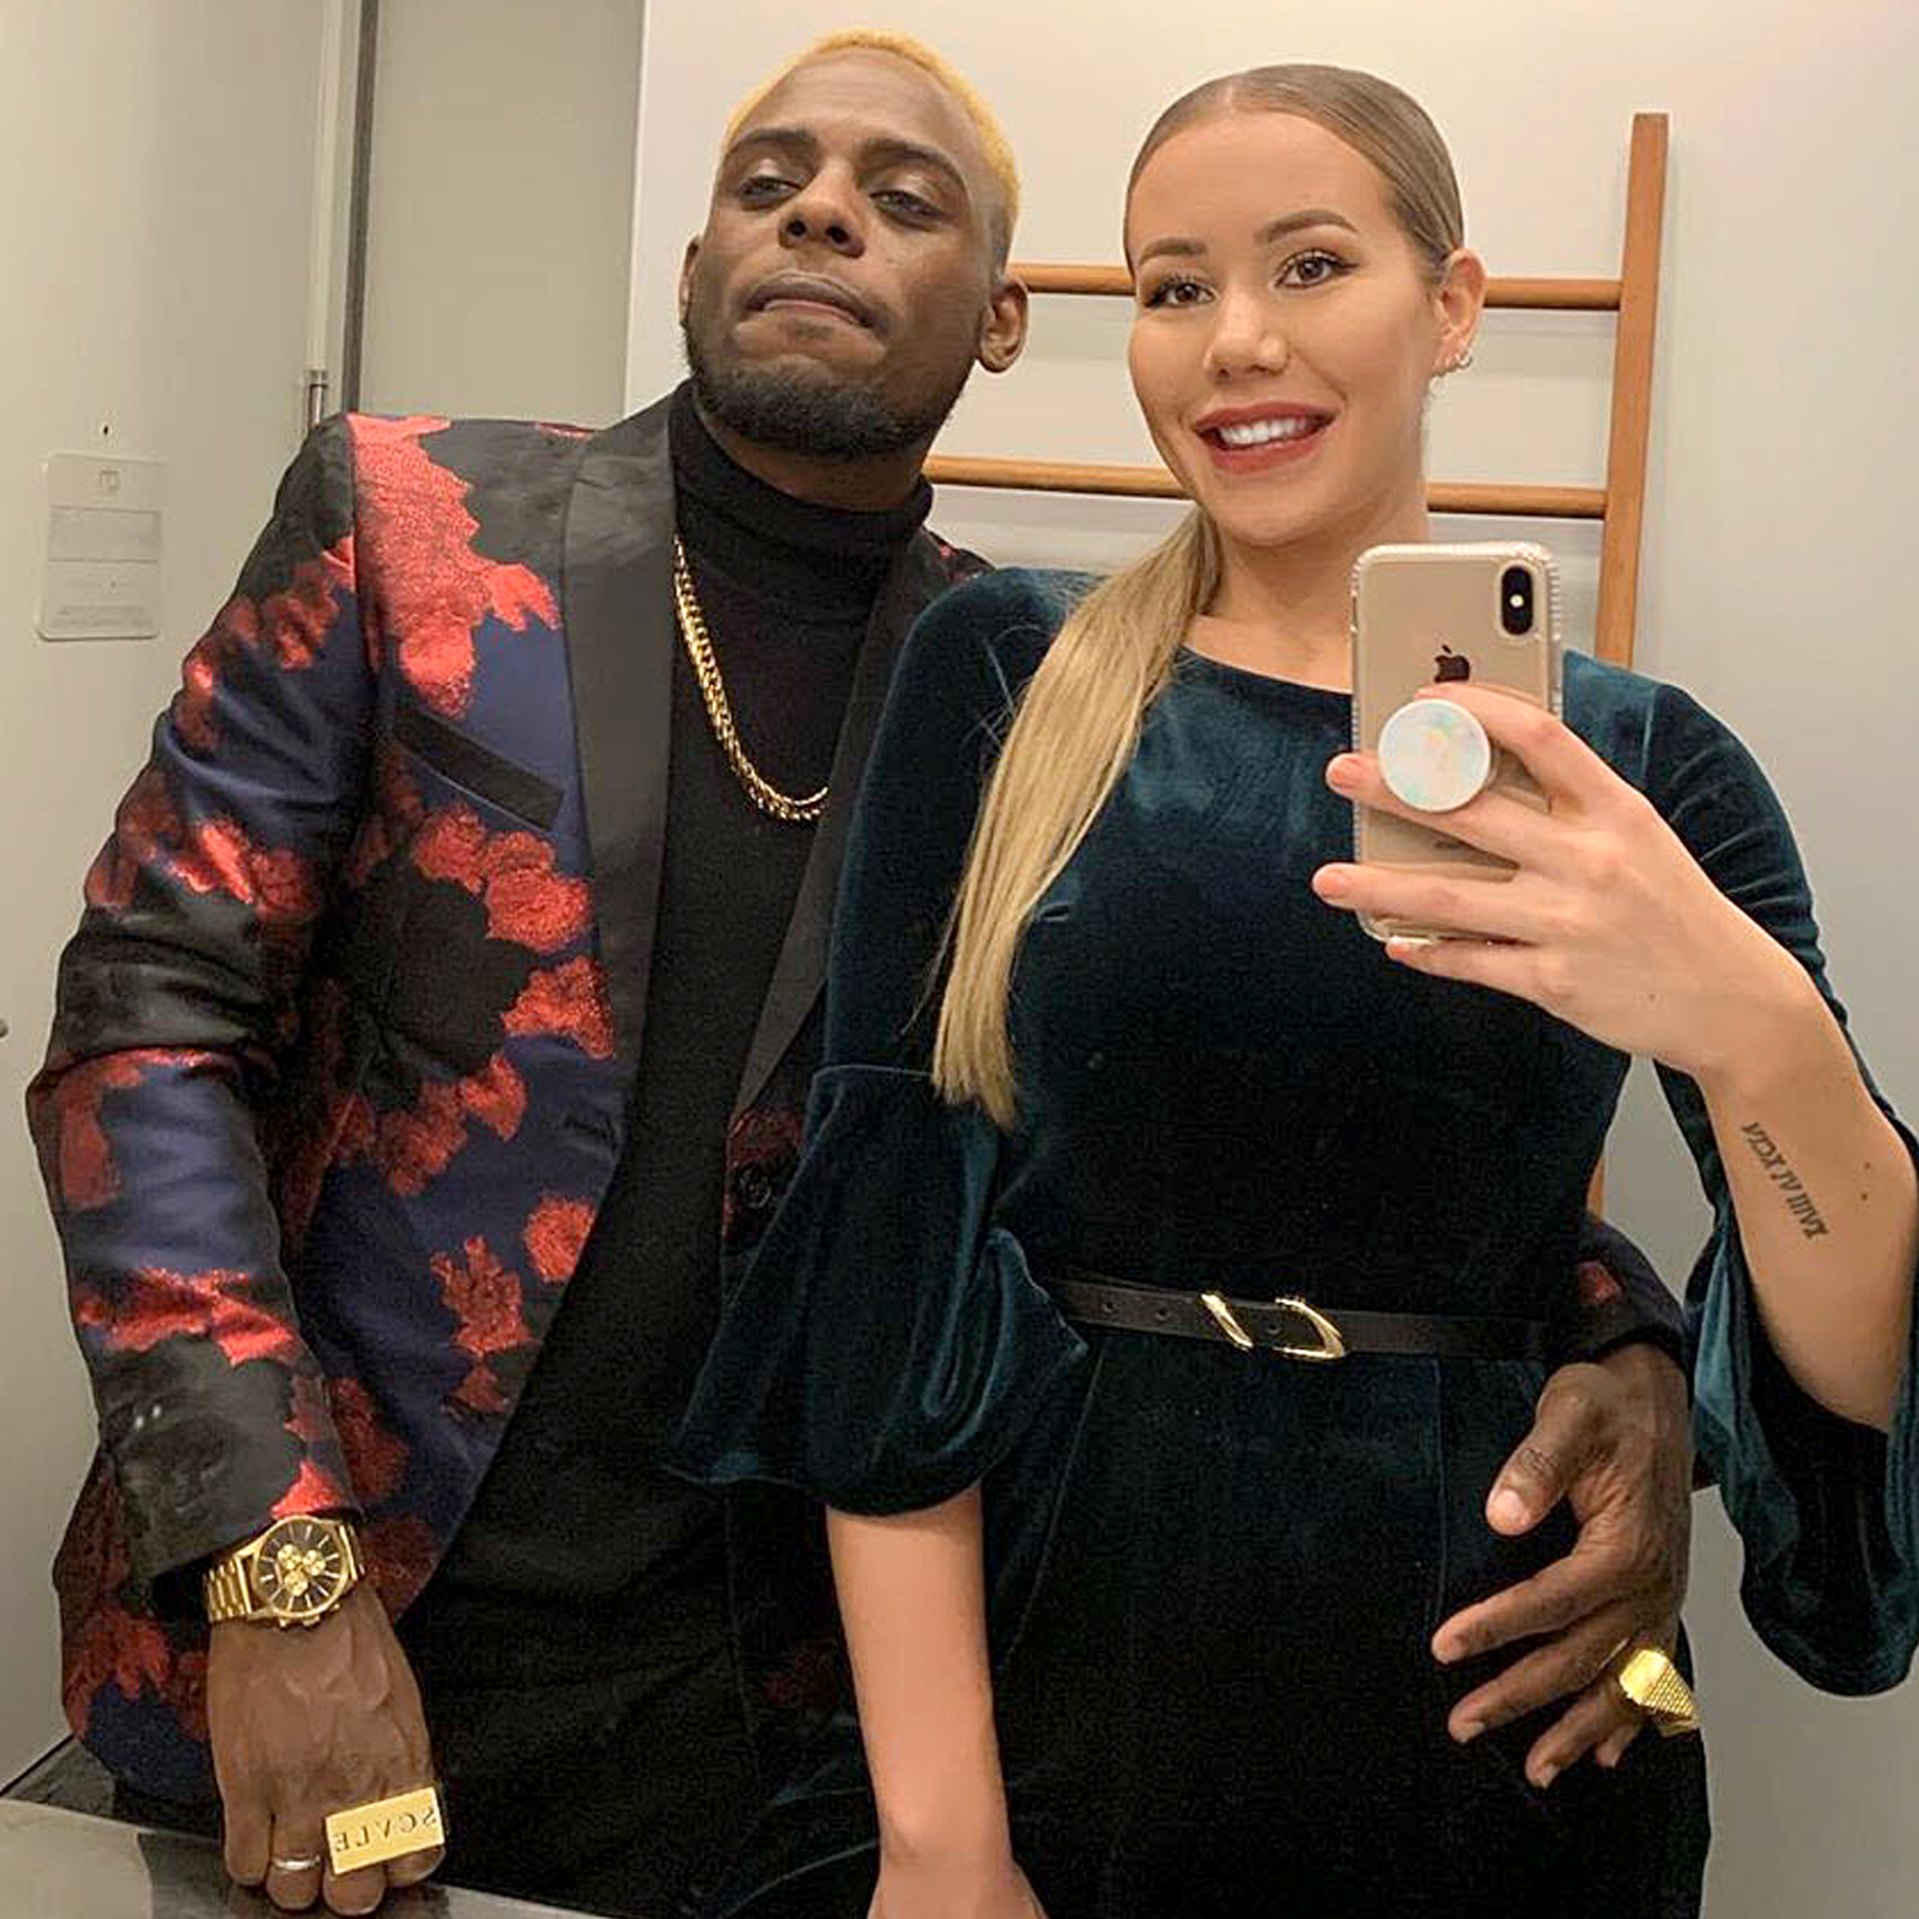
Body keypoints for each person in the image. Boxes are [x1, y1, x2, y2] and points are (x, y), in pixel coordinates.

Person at [33, 34, 1692, 1919]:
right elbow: (147, 1023)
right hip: (334, 1633)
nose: (823, 211)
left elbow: (1207, 1118)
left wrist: (1617, 1334)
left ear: (1002, 321)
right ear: (693, 268)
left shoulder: (1033, 689)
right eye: (770, 181)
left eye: (905, 200)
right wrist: (275, 1570)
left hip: (773, 1710)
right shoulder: (410, 519)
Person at [675, 62, 1919, 1919]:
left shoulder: (1645, 765)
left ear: (1455, 304)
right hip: (1055, 1653)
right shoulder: (1006, 674)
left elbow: (1853, 1368)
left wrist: (1750, 1027)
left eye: (1311, 265)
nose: (1235, 340)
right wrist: (941, 1837)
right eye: (1174, 287)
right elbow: (890, 1243)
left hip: (1500, 1693)